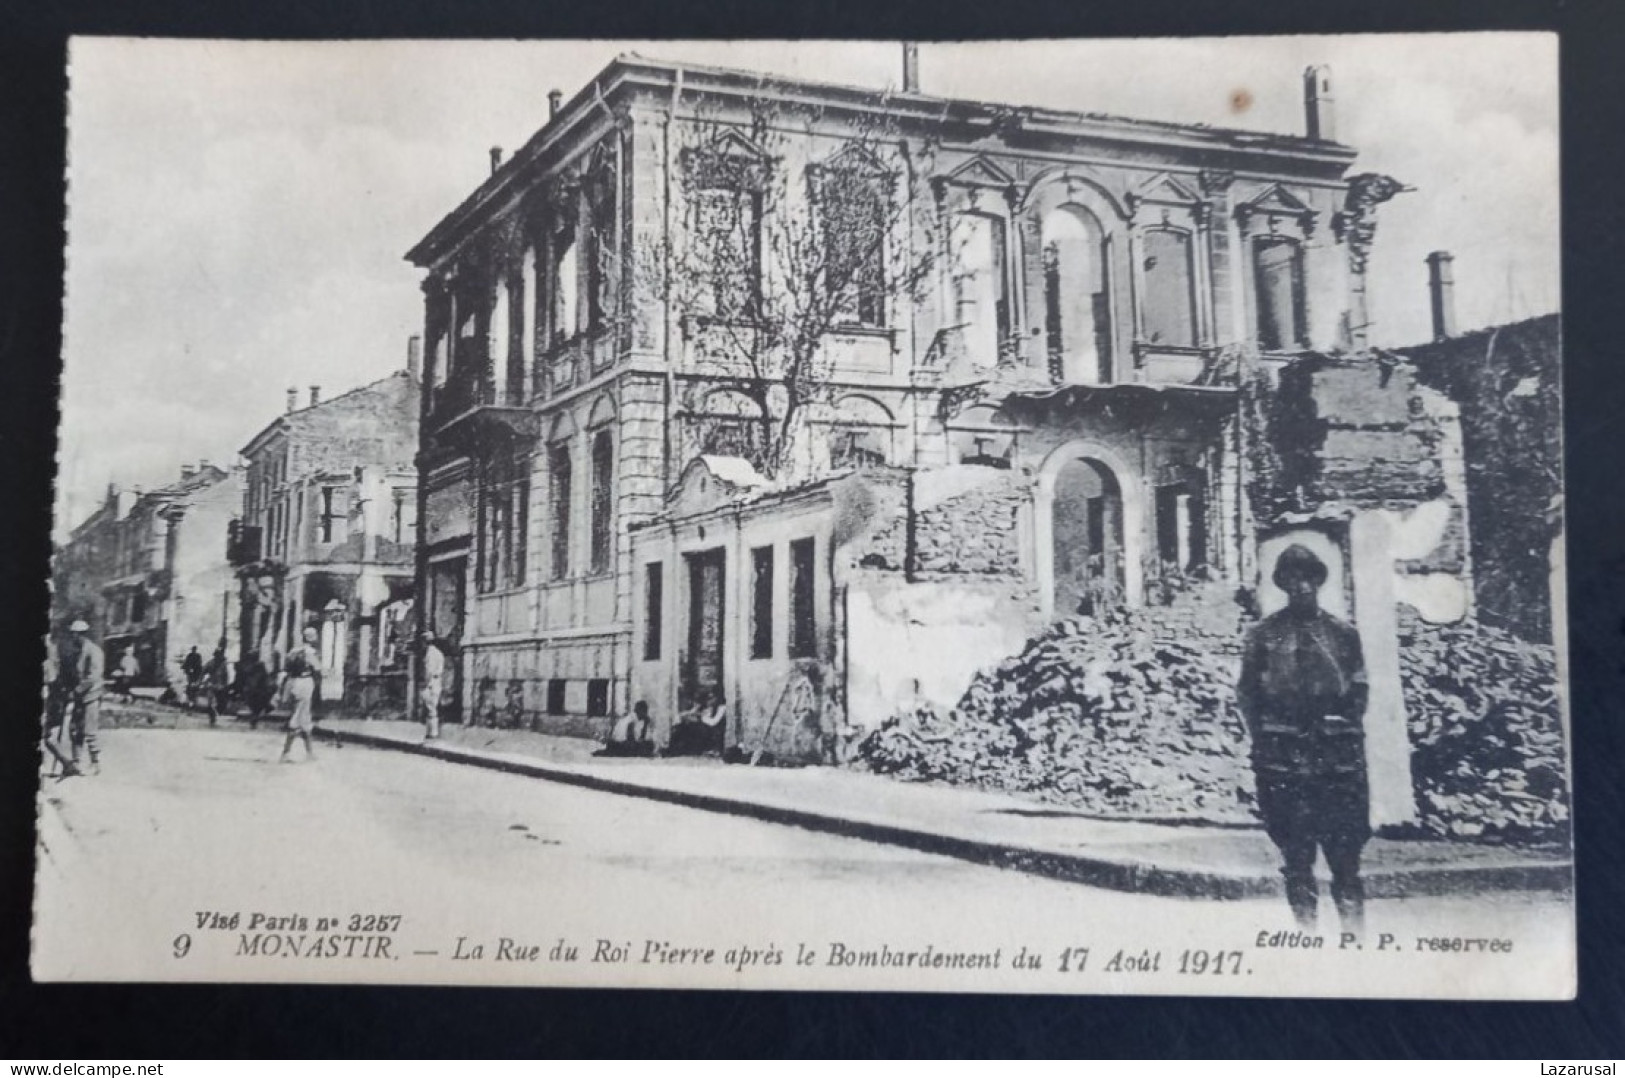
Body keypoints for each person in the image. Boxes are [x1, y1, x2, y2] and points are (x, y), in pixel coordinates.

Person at [1236, 543, 1371, 934]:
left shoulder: (1343, 635)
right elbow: (1247, 694)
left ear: (1318, 581)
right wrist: (1266, 736)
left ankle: (1354, 940)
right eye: (1293, 578)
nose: (1301, 586)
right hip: (1284, 762)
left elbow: (1359, 689)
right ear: (1283, 584)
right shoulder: (1262, 636)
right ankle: (1307, 938)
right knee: (1296, 857)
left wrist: (1339, 726)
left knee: (1346, 860)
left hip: (1337, 763)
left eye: (1308, 577)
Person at [56, 620, 105, 776]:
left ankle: (95, 763)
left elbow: (93, 676)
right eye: (72, 633)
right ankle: (76, 763)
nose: (73, 636)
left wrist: (77, 690)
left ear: (82, 634)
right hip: (79, 696)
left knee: (90, 730)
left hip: (91, 695)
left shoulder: (94, 651)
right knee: (75, 729)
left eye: (75, 634)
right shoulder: (77, 650)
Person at [277, 627, 321, 762]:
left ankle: (309, 753)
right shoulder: (311, 652)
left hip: (293, 683)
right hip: (305, 683)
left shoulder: (293, 651)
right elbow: (318, 669)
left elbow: (285, 671)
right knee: (298, 718)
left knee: (304, 718)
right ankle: (285, 754)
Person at [667, 690, 727, 757]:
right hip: (703, 728)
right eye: (708, 698)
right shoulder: (704, 706)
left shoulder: (722, 708)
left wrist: (700, 718)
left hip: (713, 731)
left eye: (712, 698)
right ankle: (673, 749)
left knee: (697, 728)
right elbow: (690, 713)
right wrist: (684, 715)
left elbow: (713, 722)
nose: (710, 701)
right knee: (680, 727)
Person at [418, 634, 445, 741]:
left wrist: (426, 683)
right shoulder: (439, 653)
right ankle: (431, 732)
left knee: (431, 708)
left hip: (431, 682)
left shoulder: (430, 654)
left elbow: (429, 670)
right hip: (437, 681)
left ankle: (432, 733)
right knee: (433, 707)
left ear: (425, 642)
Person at [204, 644, 232, 726]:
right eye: (216, 655)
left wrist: (226, 685)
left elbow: (226, 676)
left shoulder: (223, 665)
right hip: (211, 685)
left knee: (220, 703)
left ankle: (215, 713)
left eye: (219, 655)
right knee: (210, 702)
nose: (217, 656)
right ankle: (212, 716)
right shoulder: (210, 663)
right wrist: (200, 681)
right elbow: (203, 672)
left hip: (220, 686)